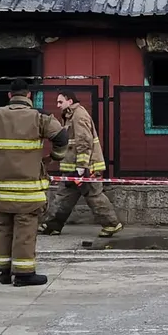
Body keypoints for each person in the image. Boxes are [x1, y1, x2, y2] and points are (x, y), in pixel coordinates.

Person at [0, 79, 69, 287]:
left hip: (0, 188)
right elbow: (61, 137)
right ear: (29, 96)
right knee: (25, 229)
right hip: (27, 190)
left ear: (9, 96)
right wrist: (54, 158)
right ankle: (23, 274)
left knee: (2, 227)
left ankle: (4, 272)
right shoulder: (41, 117)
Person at [37, 90, 123, 238]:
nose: (57, 105)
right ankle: (52, 225)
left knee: (93, 196)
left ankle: (111, 224)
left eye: (60, 102)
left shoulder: (79, 115)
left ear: (69, 101)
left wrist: (82, 167)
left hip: (84, 168)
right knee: (64, 196)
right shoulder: (70, 116)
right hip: (73, 168)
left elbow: (84, 142)